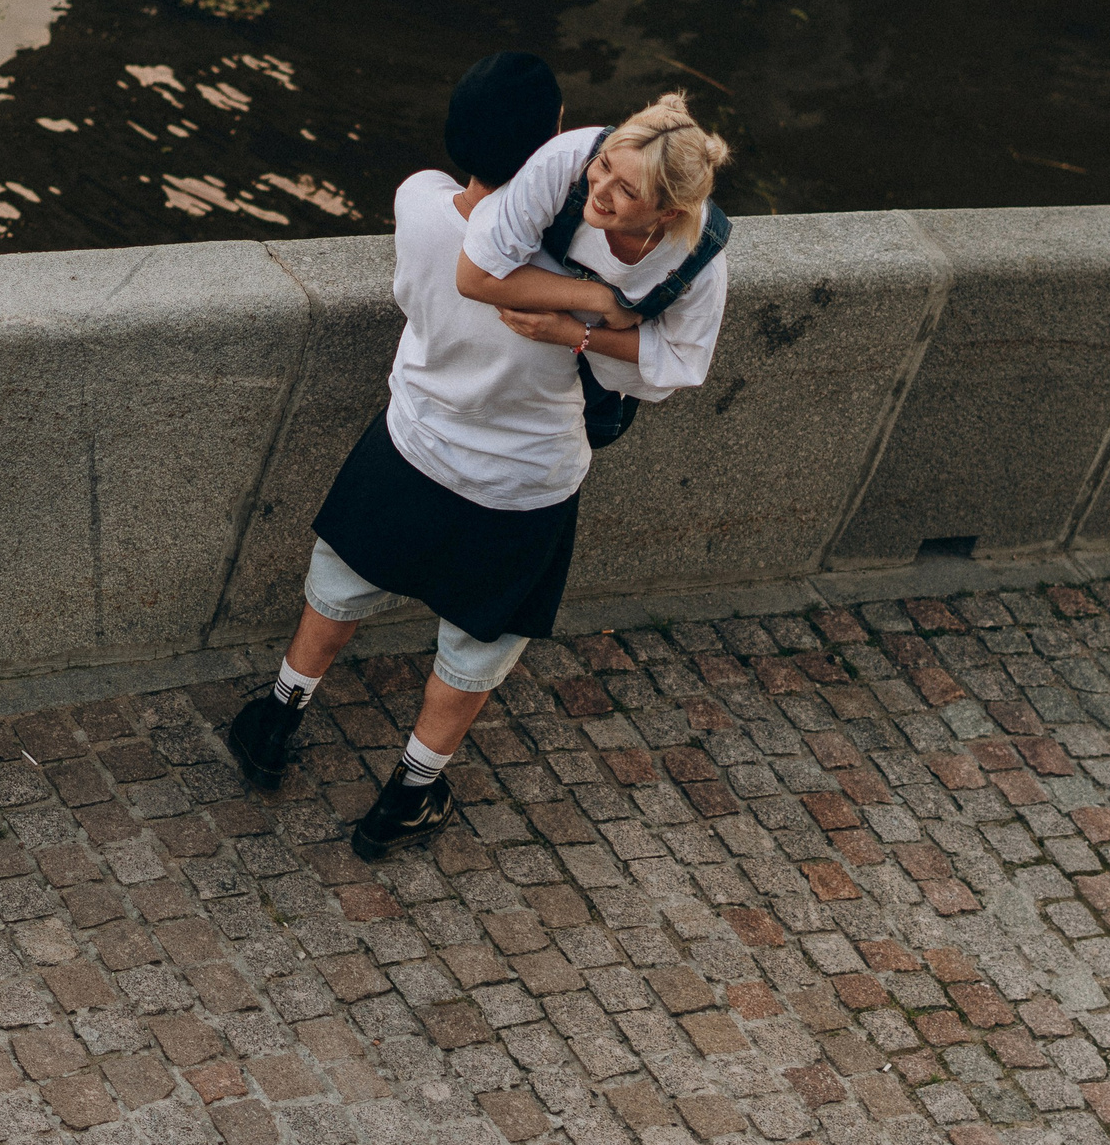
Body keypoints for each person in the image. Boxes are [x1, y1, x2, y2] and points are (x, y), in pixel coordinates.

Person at [225, 52, 628, 861]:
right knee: (475, 643)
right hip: (520, 488)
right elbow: (627, 369)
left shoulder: (419, 200)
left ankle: (276, 718)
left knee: (342, 577)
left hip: (412, 443)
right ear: (556, 146)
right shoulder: (579, 269)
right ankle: (407, 793)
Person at [456, 90, 732, 422]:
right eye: (603, 164)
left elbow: (684, 360)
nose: (600, 189)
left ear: (668, 214)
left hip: (603, 392)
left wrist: (573, 334)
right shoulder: (566, 160)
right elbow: (474, 277)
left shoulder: (699, 261)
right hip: (511, 368)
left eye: (627, 191)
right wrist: (602, 299)